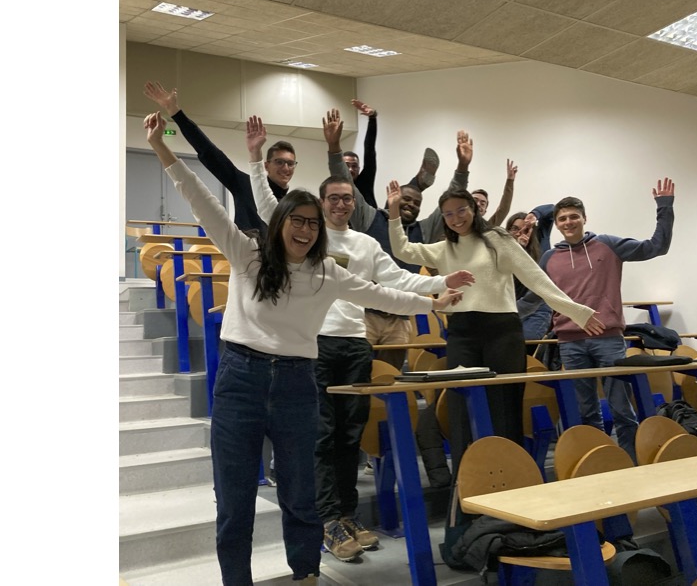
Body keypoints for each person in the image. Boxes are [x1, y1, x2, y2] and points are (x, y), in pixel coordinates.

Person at [142, 111, 464, 585]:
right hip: (241, 379)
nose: (306, 230)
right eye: (297, 220)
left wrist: (435, 296)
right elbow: (200, 195)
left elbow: (383, 294)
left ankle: (306, 575)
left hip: (296, 382)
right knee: (233, 497)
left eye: (313, 224)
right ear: (280, 222)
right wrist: (162, 147)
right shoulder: (246, 252)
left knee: (301, 490)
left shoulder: (327, 272)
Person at [245, 115, 475, 562]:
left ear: (354, 201)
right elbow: (263, 203)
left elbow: (395, 282)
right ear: (321, 201)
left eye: (347, 198)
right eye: (333, 198)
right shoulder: (304, 236)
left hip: (354, 344)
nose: (340, 205)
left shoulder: (368, 244)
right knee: (321, 435)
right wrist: (255, 158)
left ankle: (347, 514)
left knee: (351, 435)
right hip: (315, 344)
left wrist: (441, 284)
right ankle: (327, 519)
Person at [384, 136, 605, 565]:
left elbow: (538, 282)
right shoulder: (444, 248)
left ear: (474, 210)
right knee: (466, 419)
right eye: (447, 214)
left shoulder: (498, 240)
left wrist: (577, 311)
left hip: (503, 331)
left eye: (461, 210)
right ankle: (473, 508)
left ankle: (514, 506)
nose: (455, 219)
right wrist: (394, 214)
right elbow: (403, 250)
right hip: (464, 332)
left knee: (504, 413)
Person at [518, 179, 676, 463]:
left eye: (573, 216)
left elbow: (657, 247)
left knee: (621, 408)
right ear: (556, 223)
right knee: (585, 412)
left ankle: (630, 463)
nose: (568, 222)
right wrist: (499, 316)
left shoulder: (608, 245)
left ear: (584, 218)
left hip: (608, 339)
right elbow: (532, 299)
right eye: (562, 218)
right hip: (569, 343)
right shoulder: (550, 258)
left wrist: (664, 207)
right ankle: (599, 463)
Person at [322, 108, 466, 371]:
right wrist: (333, 148)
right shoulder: (370, 218)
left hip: (400, 318)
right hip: (366, 315)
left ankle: (387, 415)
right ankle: (419, 180)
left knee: (390, 381)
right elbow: (346, 184)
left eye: (416, 202)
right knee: (359, 376)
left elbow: (454, 198)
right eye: (405, 199)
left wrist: (463, 168)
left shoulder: (423, 230)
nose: (411, 205)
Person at [143, 80, 296, 233]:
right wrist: (174, 111)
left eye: (290, 163)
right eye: (279, 162)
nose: (285, 168)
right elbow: (209, 152)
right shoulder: (244, 185)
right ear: (266, 165)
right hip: (245, 254)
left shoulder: (294, 205)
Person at [342, 98, 440, 209]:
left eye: (354, 166)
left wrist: (372, 118)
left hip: (375, 222)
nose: (350, 169)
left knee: (395, 200)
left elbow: (369, 150)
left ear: (359, 169)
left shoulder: (364, 180)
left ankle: (420, 181)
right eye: (347, 165)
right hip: (348, 224)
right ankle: (418, 183)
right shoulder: (334, 187)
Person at [505, 211, 553, 347]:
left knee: (523, 341)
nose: (520, 233)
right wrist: (518, 249)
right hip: (512, 308)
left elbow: (552, 210)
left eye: (525, 229)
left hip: (537, 308)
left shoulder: (541, 246)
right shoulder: (502, 252)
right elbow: (509, 283)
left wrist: (534, 214)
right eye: (515, 228)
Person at [471, 158, 516, 227]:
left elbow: (503, 210)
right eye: (474, 200)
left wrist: (510, 181)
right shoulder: (453, 223)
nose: (478, 204)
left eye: (483, 204)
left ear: (484, 211)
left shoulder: (487, 228)